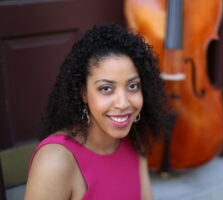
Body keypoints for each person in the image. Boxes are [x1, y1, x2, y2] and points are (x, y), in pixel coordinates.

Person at [24, 24, 173, 200]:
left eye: (133, 86)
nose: (123, 103)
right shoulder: (56, 161)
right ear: (84, 94)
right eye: (106, 88)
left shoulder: (135, 140)